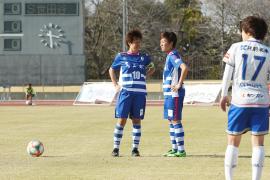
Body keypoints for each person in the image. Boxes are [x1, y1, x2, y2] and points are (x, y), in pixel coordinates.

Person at [220, 16, 269, 180]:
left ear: (247, 31)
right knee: (258, 143)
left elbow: (227, 74)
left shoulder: (235, 47)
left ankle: (229, 178)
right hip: (261, 101)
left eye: (242, 31)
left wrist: (223, 94)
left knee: (233, 142)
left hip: (239, 100)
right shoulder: (268, 51)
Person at [109, 29, 155, 157]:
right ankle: (116, 148)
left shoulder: (144, 57)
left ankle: (135, 149)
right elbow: (112, 70)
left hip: (140, 94)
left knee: (136, 120)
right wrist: (115, 85)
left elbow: (153, 67)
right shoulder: (122, 56)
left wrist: (145, 75)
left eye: (139, 42)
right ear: (129, 42)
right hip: (126, 92)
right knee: (122, 120)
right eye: (135, 42)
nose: (138, 44)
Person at [160, 32, 188, 157]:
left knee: (175, 120)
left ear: (171, 43)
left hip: (174, 94)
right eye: (161, 41)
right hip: (169, 94)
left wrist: (179, 84)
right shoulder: (169, 55)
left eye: (164, 42)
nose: (161, 44)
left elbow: (184, 67)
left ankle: (181, 150)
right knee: (171, 120)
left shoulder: (172, 55)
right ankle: (174, 148)